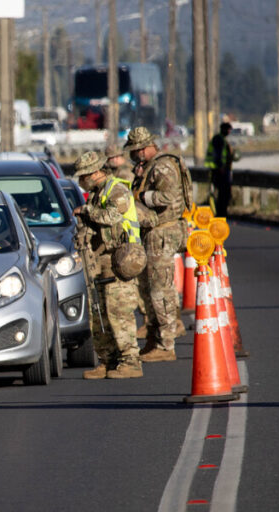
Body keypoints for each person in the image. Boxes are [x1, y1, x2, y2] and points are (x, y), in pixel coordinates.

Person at [73, 151, 144, 380]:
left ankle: (130, 361)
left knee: (119, 312)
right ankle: (108, 360)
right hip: (99, 261)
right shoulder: (96, 194)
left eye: (84, 176)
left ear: (96, 172)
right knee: (99, 314)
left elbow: (112, 217)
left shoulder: (117, 190)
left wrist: (86, 211)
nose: (81, 181)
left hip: (119, 259)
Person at [125, 127, 188, 363]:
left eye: (134, 152)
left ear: (143, 148)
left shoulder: (162, 166)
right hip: (153, 232)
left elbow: (167, 198)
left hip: (163, 231)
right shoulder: (150, 166)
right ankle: (154, 339)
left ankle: (166, 344)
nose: (133, 157)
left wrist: (141, 197)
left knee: (161, 290)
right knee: (150, 289)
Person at [206, 122, 234, 217]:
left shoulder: (222, 139)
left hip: (222, 170)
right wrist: (221, 167)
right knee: (223, 193)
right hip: (219, 171)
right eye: (228, 129)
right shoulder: (219, 139)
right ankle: (220, 212)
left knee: (223, 193)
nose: (229, 132)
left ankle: (221, 212)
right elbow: (218, 155)